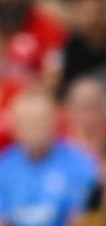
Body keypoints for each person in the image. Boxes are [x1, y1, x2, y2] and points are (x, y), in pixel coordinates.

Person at [0, 87, 98, 226]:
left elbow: (84, 218)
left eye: (40, 121)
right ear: (15, 127)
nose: (35, 129)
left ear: (55, 122)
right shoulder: (4, 167)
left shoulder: (81, 164)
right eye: (28, 122)